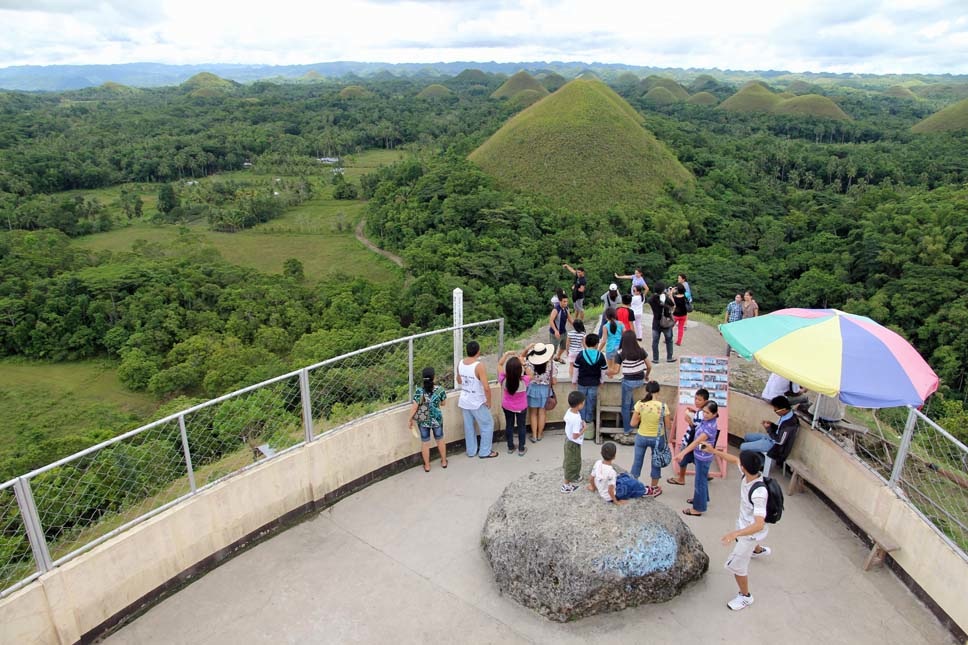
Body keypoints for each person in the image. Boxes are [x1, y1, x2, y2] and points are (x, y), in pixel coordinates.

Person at [702, 447, 772, 611]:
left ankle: (745, 596)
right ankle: (758, 550)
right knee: (747, 541)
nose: (738, 463)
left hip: (750, 532)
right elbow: (733, 459)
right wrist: (713, 450)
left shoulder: (759, 493)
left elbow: (759, 524)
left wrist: (736, 534)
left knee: (737, 566)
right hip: (743, 523)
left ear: (744, 468)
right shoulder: (750, 473)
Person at [456, 340, 497, 459]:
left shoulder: (460, 363)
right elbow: (486, 387)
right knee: (487, 425)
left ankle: (471, 450)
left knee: (469, 427)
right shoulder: (479, 366)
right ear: (478, 351)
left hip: (465, 400)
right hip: (477, 401)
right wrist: (488, 401)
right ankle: (485, 451)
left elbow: (459, 380)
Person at [679, 401, 720, 517]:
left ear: (714, 414)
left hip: (703, 457)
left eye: (707, 413)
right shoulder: (707, 421)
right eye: (704, 412)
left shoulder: (709, 427)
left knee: (699, 482)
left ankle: (698, 508)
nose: (704, 414)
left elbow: (697, 442)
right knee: (701, 480)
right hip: (701, 454)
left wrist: (683, 453)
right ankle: (702, 499)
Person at [607, 330, 652, 437]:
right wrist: (646, 376)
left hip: (628, 382)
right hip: (640, 380)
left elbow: (616, 370)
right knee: (629, 396)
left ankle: (627, 429)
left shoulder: (621, 353)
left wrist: (607, 372)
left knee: (625, 407)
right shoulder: (641, 351)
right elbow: (649, 366)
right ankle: (632, 406)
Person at [629, 381, 670, 495]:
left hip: (642, 436)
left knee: (637, 461)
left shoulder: (640, 404)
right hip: (657, 438)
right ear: (659, 391)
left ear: (646, 391)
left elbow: (632, 423)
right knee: (656, 462)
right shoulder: (663, 406)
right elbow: (668, 426)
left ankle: (633, 485)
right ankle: (654, 487)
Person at [740, 395, 799, 475]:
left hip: (775, 446)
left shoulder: (790, 424)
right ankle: (759, 457)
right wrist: (771, 425)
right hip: (771, 437)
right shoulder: (786, 415)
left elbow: (780, 441)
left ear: (784, 410)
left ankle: (761, 462)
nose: (775, 411)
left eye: (776, 410)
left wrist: (769, 429)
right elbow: (779, 429)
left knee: (742, 447)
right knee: (747, 437)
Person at [407, 366, 448, 472]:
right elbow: (443, 403)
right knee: (440, 439)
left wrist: (410, 419)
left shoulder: (419, 391)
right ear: (433, 378)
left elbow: (415, 407)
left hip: (423, 420)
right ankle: (443, 461)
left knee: (425, 443)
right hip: (437, 419)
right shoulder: (440, 390)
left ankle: (427, 466)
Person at [667, 388, 709, 486]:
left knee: (683, 459)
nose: (696, 401)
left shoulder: (701, 414)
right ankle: (705, 474)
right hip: (696, 443)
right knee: (696, 460)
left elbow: (697, 429)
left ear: (705, 401)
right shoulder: (704, 412)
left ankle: (681, 479)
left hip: (691, 441)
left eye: (699, 400)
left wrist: (689, 421)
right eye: (695, 399)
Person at [498, 351, 530, 456]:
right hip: (521, 407)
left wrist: (506, 354)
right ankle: (521, 448)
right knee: (521, 426)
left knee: (509, 425)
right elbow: (531, 374)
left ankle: (510, 447)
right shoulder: (524, 381)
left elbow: (499, 364)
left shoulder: (503, 379)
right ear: (519, 370)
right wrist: (523, 363)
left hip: (507, 406)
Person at [525, 342, 557, 442]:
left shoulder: (529, 363)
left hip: (532, 389)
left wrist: (528, 347)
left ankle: (533, 435)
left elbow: (528, 377)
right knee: (542, 413)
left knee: (533, 413)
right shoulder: (551, 364)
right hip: (545, 391)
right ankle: (539, 434)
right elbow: (554, 382)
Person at [574, 333, 607, 426]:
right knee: (591, 402)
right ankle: (589, 420)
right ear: (597, 344)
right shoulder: (600, 355)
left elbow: (576, 369)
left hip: (581, 382)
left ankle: (581, 420)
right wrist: (601, 380)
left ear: (586, 343)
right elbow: (604, 370)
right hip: (594, 383)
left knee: (580, 401)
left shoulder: (581, 354)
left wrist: (574, 380)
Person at [561, 390, 586, 493]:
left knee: (574, 459)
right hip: (573, 442)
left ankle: (575, 476)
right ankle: (566, 485)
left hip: (569, 440)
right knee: (572, 462)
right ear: (579, 405)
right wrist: (584, 429)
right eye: (583, 402)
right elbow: (575, 435)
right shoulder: (575, 418)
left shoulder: (570, 411)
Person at [649, 281, 675, 363]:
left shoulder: (652, 299)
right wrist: (667, 295)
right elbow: (672, 304)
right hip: (666, 322)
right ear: (663, 289)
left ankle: (655, 358)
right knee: (669, 340)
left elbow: (649, 300)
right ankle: (669, 357)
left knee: (655, 341)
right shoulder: (666, 298)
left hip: (656, 322)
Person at [549, 295, 571, 363]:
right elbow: (551, 321)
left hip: (563, 331)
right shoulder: (556, 309)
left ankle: (558, 357)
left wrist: (577, 326)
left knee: (563, 347)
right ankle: (549, 363)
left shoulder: (566, 308)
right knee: (553, 349)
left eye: (566, 301)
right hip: (555, 333)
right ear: (560, 301)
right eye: (564, 301)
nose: (565, 303)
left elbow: (570, 318)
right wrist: (555, 331)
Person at [566, 319, 586, 384]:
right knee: (580, 366)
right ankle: (578, 377)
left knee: (571, 365)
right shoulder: (582, 334)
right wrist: (586, 351)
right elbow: (584, 344)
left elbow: (567, 344)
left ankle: (571, 378)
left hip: (572, 352)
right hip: (580, 352)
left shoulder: (570, 333)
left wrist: (567, 351)